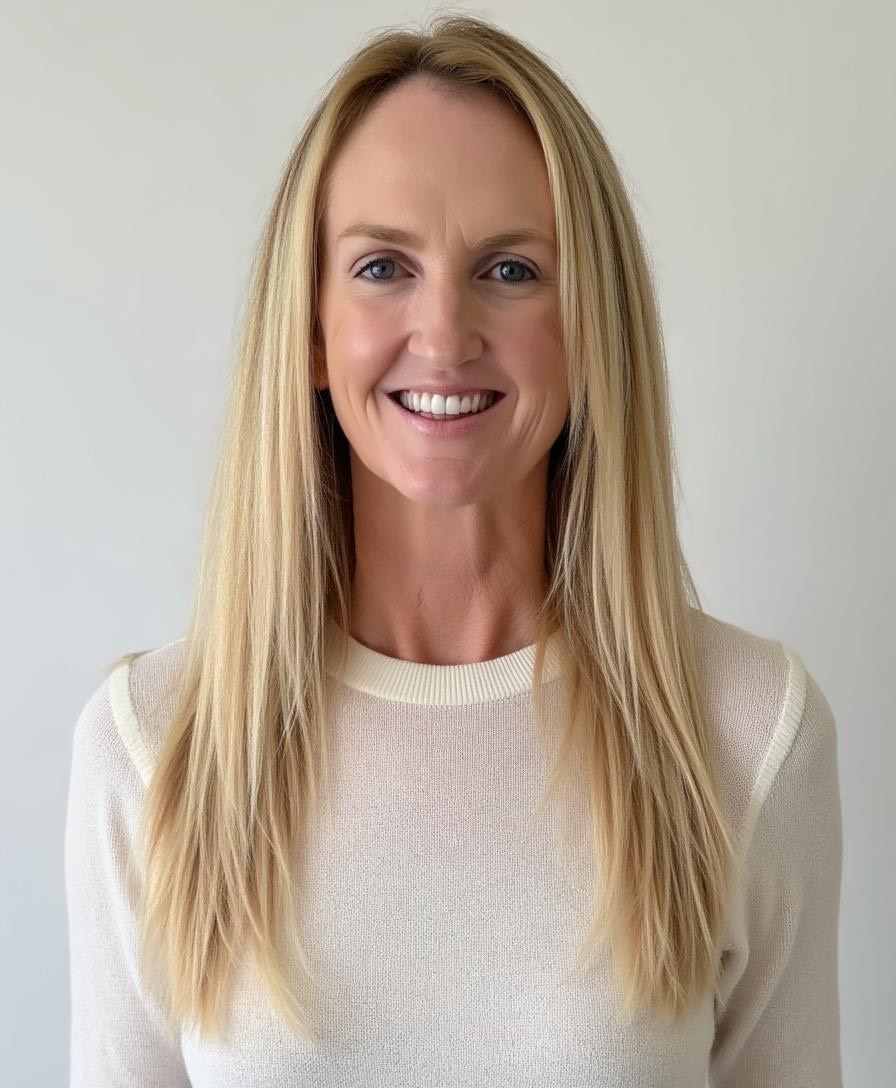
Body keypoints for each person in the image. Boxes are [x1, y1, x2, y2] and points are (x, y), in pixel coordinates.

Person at [64, 13, 843, 1086]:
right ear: (310, 329)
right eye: (383, 265)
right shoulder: (154, 749)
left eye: (511, 270)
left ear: (590, 322)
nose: (444, 332)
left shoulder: (749, 731)